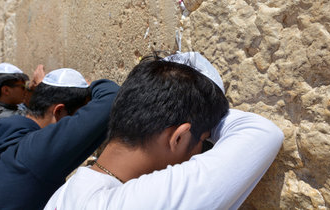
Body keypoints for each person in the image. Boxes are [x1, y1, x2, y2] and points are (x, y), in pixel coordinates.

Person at [45, 52, 284, 209]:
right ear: (179, 137)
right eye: (203, 141)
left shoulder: (66, 193)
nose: (200, 150)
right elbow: (262, 133)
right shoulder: (141, 202)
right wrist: (209, 118)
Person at [0, 68, 119, 210]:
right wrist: (89, 87)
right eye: (79, 114)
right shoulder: (38, 151)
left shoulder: (5, 128)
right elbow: (112, 98)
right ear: (58, 111)